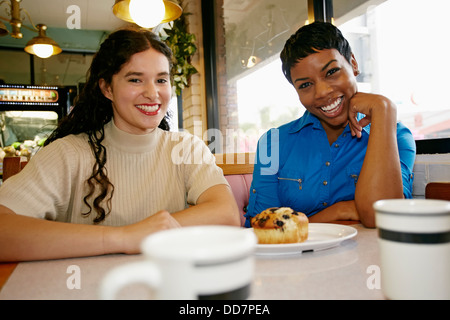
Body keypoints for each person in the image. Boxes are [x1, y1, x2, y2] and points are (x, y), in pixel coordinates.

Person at [0, 28, 240, 262]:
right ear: (107, 89)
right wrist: (125, 237)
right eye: (135, 79)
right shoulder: (68, 153)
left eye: (161, 80)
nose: (152, 93)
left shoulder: (186, 148)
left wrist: (145, 234)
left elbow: (227, 214)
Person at [244, 22, 416, 228]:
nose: (322, 92)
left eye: (332, 72)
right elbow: (262, 228)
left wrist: (384, 109)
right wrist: (339, 211)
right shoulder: (273, 143)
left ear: (353, 63)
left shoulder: (396, 137)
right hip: (294, 260)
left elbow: (383, 218)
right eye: (305, 85)